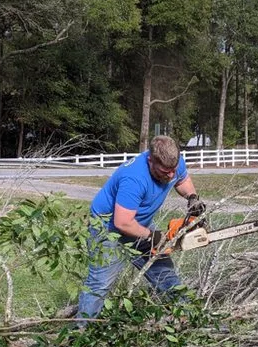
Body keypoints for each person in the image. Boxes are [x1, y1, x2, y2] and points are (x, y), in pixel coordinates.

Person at [76, 135, 206, 324]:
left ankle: (193, 317)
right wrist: (153, 236)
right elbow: (122, 222)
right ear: (150, 160)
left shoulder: (173, 162)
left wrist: (192, 197)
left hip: (139, 225)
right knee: (99, 285)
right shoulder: (134, 178)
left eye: (172, 170)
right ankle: (79, 334)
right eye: (164, 172)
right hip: (108, 230)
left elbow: (182, 179)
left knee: (164, 273)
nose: (170, 175)